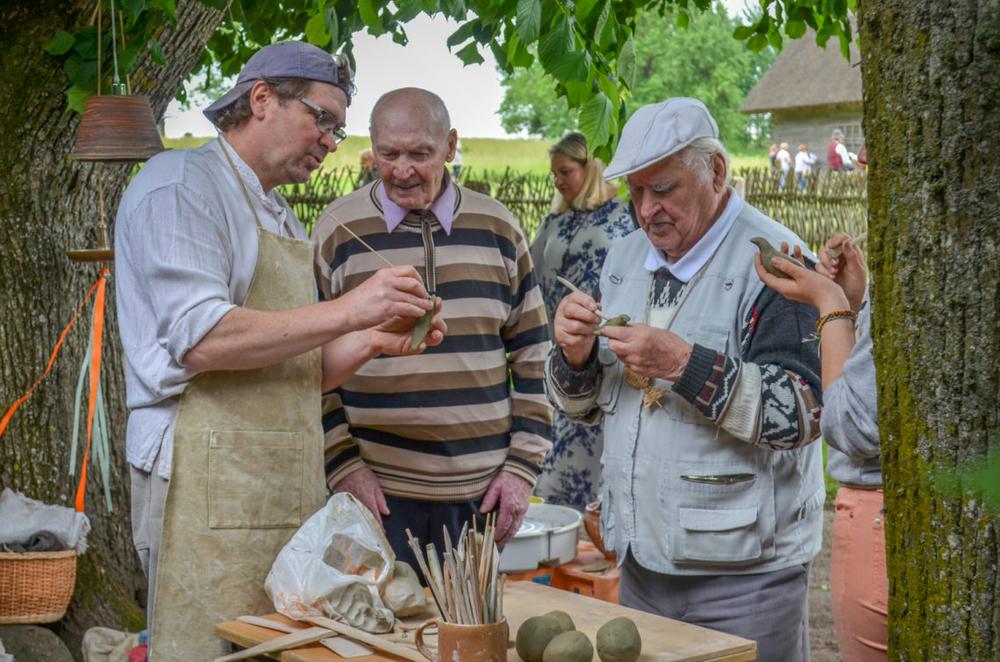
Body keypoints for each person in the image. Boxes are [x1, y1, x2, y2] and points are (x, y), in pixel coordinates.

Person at [114, 42, 443, 659]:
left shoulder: (279, 214)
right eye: (322, 118)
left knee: (281, 650)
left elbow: (298, 371)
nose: (330, 140)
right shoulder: (182, 185)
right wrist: (351, 308)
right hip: (203, 476)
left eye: (339, 129)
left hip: (278, 480)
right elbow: (204, 339)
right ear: (261, 98)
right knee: (207, 646)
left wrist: (375, 339)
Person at [545, 97, 824, 661]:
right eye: (636, 192)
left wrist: (681, 364)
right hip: (642, 562)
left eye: (664, 189)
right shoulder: (624, 257)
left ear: (716, 172)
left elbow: (804, 411)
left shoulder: (780, 263)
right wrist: (573, 357)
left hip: (747, 580)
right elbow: (591, 405)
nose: (646, 210)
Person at [312, 87, 552, 571]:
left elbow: (534, 356)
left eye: (420, 153)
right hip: (373, 498)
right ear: (371, 147)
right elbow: (305, 364)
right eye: (389, 154)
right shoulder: (338, 229)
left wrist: (522, 470)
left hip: (481, 495)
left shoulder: (498, 227)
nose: (403, 170)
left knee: (469, 639)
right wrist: (343, 466)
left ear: (450, 145)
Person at [754, 234, 886, 661]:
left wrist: (831, 305)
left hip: (879, 522)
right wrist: (857, 301)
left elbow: (852, 425)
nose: (862, 160)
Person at [529, 132, 635, 508]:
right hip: (557, 346)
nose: (558, 181)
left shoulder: (628, 218)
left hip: (607, 352)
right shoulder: (555, 220)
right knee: (555, 451)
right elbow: (529, 271)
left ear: (591, 169)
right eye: (554, 173)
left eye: (566, 171)